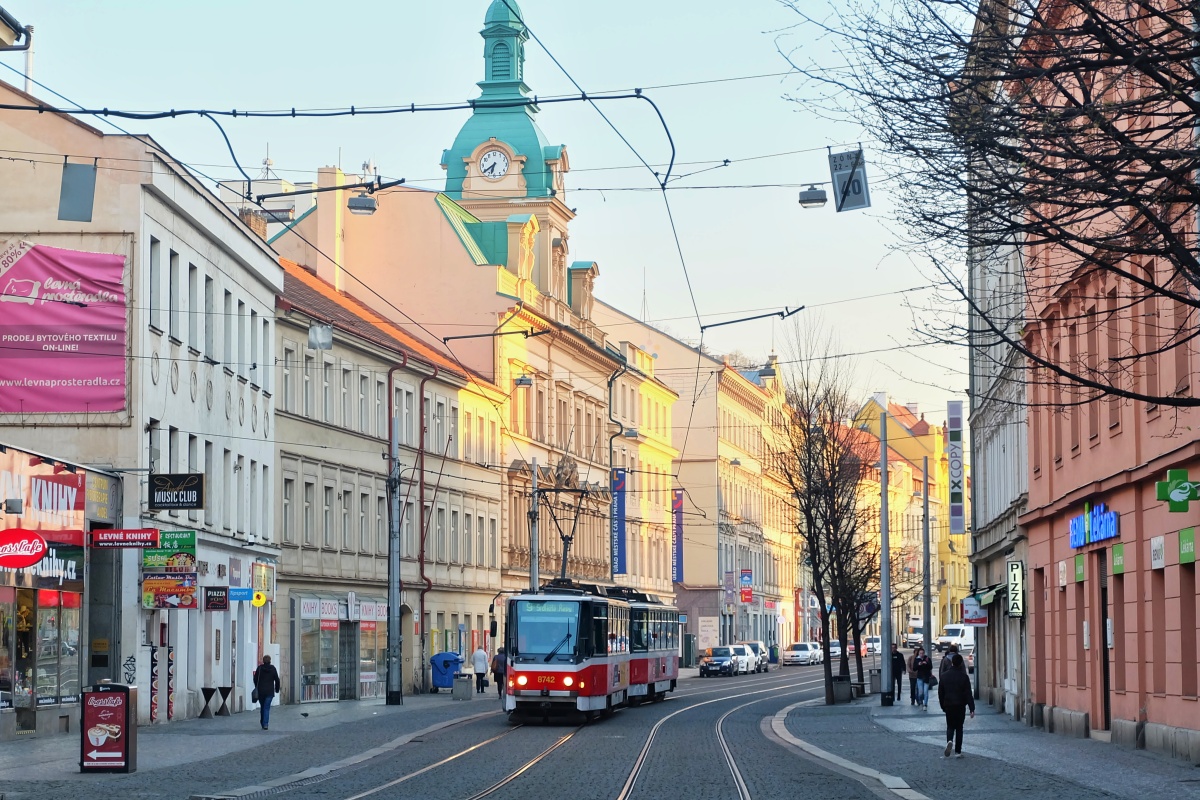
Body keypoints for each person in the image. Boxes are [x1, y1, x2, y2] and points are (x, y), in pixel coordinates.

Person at [938, 653, 975, 757]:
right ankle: (958, 751)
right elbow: (968, 693)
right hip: (960, 705)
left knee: (950, 726)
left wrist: (943, 705)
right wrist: (971, 708)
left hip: (948, 705)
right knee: (959, 728)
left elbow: (941, 693)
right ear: (960, 664)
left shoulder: (944, 676)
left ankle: (949, 741)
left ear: (952, 662)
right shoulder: (964, 677)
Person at [252, 655, 280, 730]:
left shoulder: (260, 668)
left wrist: (256, 686)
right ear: (270, 660)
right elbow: (277, 680)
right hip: (269, 691)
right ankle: (265, 724)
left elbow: (255, 679)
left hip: (261, 691)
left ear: (263, 661)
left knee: (263, 707)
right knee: (267, 707)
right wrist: (277, 689)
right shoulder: (273, 668)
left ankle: (262, 722)